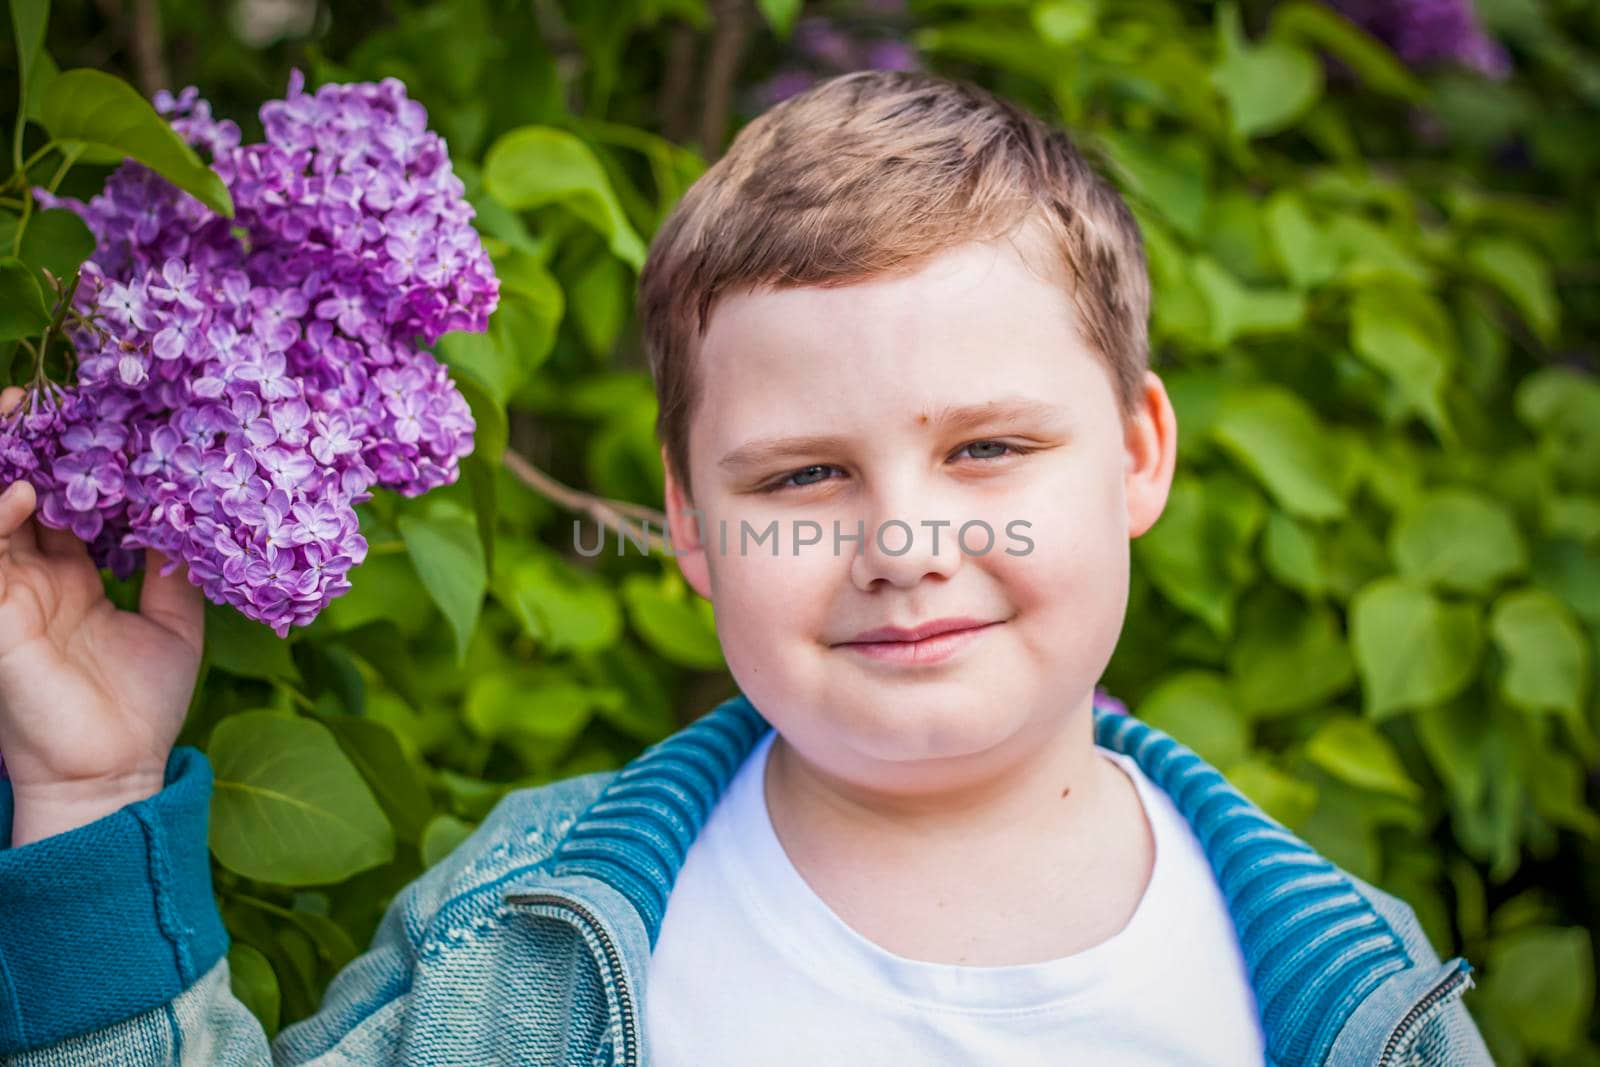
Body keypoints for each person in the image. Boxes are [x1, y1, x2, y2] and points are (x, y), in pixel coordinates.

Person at [0, 70, 1492, 1066]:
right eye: (802, 477)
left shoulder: (1363, 998)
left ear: (1139, 455)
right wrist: (88, 801)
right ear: (695, 531)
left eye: (988, 450)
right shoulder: (514, 935)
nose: (900, 548)